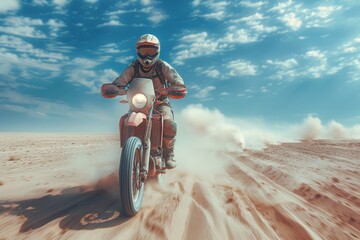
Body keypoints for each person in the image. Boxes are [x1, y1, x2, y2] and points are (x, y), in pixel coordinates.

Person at [104, 34, 186, 169]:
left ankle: (168, 154)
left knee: (167, 121)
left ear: (157, 51)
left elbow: (178, 82)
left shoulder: (162, 66)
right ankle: (128, 153)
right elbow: (120, 82)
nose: (147, 55)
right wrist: (114, 89)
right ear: (138, 51)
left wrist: (172, 89)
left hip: (160, 102)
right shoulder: (133, 67)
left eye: (151, 51)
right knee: (126, 119)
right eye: (144, 51)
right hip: (138, 104)